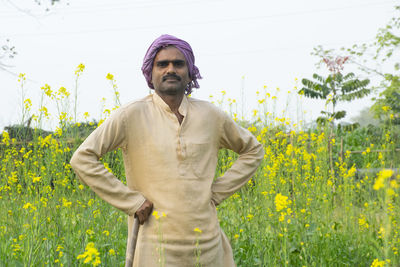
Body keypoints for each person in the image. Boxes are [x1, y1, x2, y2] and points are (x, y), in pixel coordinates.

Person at [70, 34, 264, 267]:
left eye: (178, 64)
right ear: (150, 73)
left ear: (190, 71)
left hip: (208, 246)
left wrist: (216, 192)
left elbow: (253, 150)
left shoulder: (211, 116)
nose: (170, 69)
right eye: (162, 64)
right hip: (154, 247)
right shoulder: (131, 115)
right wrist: (131, 202)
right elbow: (83, 158)